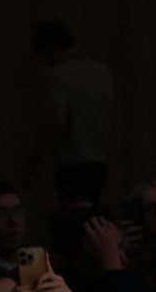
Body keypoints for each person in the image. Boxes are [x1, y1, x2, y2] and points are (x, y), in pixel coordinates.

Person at [30, 21, 115, 206]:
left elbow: (58, 120)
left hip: (71, 164)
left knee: (72, 215)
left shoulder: (58, 74)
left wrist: (35, 155)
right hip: (98, 161)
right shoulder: (103, 72)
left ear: (50, 49)